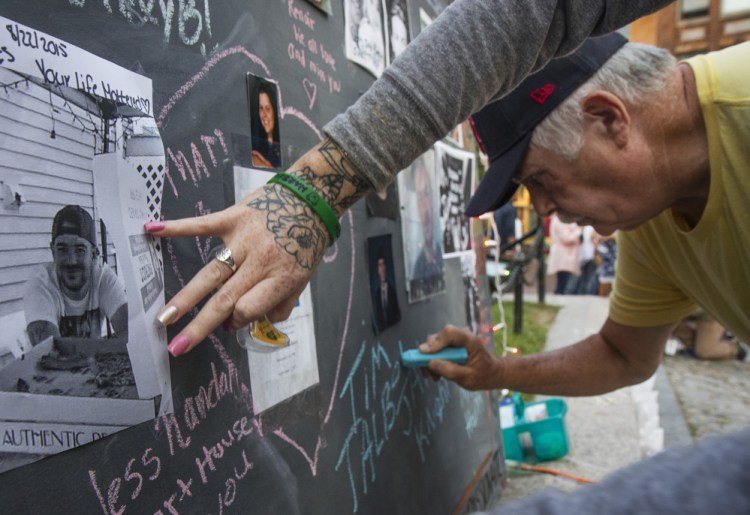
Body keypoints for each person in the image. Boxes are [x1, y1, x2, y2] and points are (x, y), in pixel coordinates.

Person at [145, 0, 679, 356]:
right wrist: (502, 373)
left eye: (537, 178)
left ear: (610, 120)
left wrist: (309, 195)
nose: (540, 210)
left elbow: (526, 14)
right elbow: (626, 356)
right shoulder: (658, 220)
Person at [24, 205, 128, 346]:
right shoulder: (40, 282)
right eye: (62, 249)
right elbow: (49, 351)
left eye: (80, 250)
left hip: (91, 364)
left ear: (93, 254)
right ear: (53, 251)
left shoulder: (103, 277)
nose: (71, 260)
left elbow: (131, 332)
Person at [411, 156, 444, 295]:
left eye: (427, 193)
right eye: (419, 198)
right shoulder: (418, 268)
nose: (425, 209)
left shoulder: (443, 255)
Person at [670, 310, 748, 361]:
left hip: (711, 312)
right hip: (687, 312)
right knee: (671, 326)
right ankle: (696, 340)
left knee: (705, 351)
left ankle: (735, 348)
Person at [546, 213, 581, 294]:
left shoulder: (561, 218)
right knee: (565, 285)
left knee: (562, 283)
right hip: (564, 257)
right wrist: (579, 232)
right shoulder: (561, 219)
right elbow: (566, 238)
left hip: (566, 256)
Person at [251, 80, 281, 169]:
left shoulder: (281, 150)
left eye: (268, 109)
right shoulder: (255, 152)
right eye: (261, 108)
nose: (264, 115)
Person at [372, 250, 401, 333]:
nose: (382, 268)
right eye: (379, 265)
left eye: (383, 264)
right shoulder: (377, 295)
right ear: (377, 270)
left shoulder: (393, 291)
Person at [595, 231, 617, 296]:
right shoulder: (601, 244)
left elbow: (617, 237)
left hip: (616, 269)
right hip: (605, 269)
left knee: (616, 294)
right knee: (602, 293)